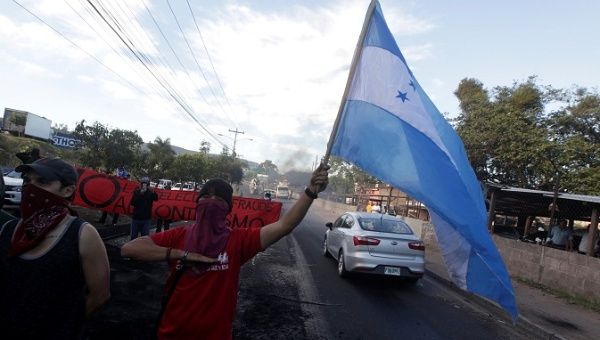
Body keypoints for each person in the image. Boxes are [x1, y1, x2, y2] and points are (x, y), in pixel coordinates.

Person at [121, 163, 329, 340]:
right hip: (170, 334)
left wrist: (310, 192)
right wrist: (180, 254)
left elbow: (285, 225)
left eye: (218, 200)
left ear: (228, 209)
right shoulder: (177, 237)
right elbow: (129, 249)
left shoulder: (239, 240)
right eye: (205, 198)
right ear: (197, 204)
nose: (211, 202)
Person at [0, 157, 110, 339]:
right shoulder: (9, 230)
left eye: (42, 181)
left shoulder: (82, 235)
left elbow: (100, 295)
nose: (30, 187)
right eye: (28, 180)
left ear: (67, 190)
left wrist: (62, 325)